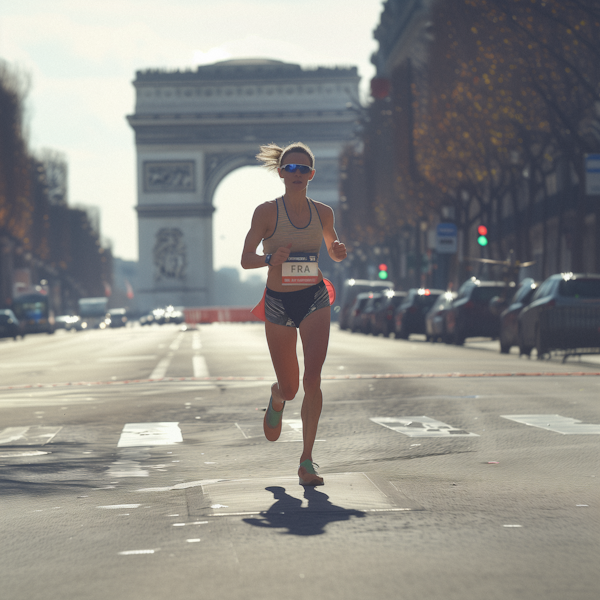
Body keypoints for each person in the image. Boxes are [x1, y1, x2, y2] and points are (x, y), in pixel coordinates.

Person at [241, 142, 347, 486]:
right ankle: (276, 397)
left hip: (314, 297)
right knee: (290, 388)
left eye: (303, 169)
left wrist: (338, 250)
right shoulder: (266, 213)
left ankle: (307, 461)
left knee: (312, 379)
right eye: (290, 168)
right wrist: (271, 259)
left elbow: (332, 246)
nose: (296, 174)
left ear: (312, 175)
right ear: (280, 173)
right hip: (278, 303)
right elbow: (246, 259)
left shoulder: (324, 213)